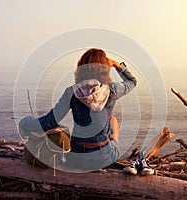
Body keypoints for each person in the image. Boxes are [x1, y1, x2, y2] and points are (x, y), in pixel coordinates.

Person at [19, 48, 152, 173]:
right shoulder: (112, 90)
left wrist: (26, 124)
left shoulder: (71, 92)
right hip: (104, 159)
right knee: (113, 121)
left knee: (107, 121)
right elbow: (132, 81)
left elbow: (50, 121)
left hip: (77, 159)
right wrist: (117, 65)